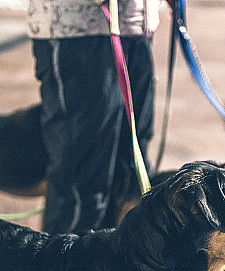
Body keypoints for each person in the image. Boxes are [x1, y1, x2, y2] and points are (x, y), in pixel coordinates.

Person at [27, 0, 160, 233]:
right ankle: (64, 267)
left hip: (137, 27)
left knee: (129, 173)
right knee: (82, 179)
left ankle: (111, 266)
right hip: (77, 32)